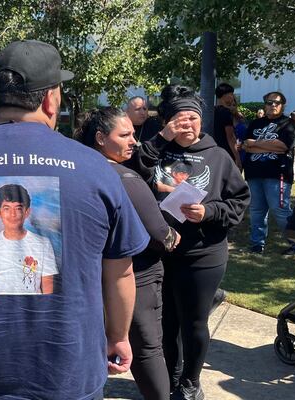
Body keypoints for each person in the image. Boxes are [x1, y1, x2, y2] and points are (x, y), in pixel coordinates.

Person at [0, 39, 149, 400]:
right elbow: (120, 272)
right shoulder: (96, 167)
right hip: (67, 374)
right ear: (50, 98)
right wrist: (118, 336)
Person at [129, 85, 250, 399]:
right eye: (180, 119)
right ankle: (168, 379)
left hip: (202, 253)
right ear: (168, 122)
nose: (187, 125)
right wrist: (161, 138)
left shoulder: (218, 157)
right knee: (165, 322)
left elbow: (239, 201)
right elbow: (133, 169)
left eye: (193, 119)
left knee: (193, 322)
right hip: (160, 252)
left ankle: (190, 382)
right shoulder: (157, 149)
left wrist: (207, 212)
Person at [75, 107, 181, 400]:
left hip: (86, 276)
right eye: (125, 135)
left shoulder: (76, 171)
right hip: (135, 277)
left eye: (133, 134)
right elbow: (161, 235)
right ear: (99, 138)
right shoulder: (124, 179)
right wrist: (173, 235)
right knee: (147, 348)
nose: (134, 140)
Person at [242, 92, 295, 255]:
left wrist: (256, 144)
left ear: (283, 105)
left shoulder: (288, 123)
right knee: (256, 210)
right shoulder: (255, 123)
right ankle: (256, 244)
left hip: (278, 174)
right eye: (269, 102)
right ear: (264, 105)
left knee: (280, 210)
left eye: (277, 102)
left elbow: (283, 146)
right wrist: (265, 145)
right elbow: (246, 145)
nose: (272, 105)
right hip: (254, 173)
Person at [0, 184, 58, 295]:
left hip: (32, 308)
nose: (13, 214)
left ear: (27, 212)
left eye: (18, 208)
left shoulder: (43, 243)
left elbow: (47, 283)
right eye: (6, 208)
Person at [213, 83, 242, 169]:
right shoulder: (225, 112)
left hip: (212, 151)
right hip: (225, 153)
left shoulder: (211, 111)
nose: (233, 97)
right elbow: (230, 137)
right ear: (225, 95)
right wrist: (237, 158)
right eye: (231, 94)